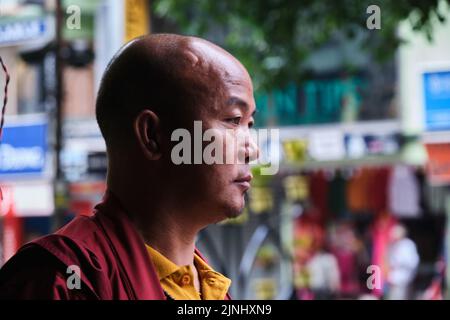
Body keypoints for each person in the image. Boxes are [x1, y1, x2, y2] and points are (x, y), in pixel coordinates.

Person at [0, 34, 259, 299]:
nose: (252, 149)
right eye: (233, 120)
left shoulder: (210, 289)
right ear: (152, 135)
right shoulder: (62, 280)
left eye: (249, 125)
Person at [386, 224, 419, 300]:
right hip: (394, 279)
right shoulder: (394, 245)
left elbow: (413, 262)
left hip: (404, 279)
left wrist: (400, 262)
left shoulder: (408, 245)